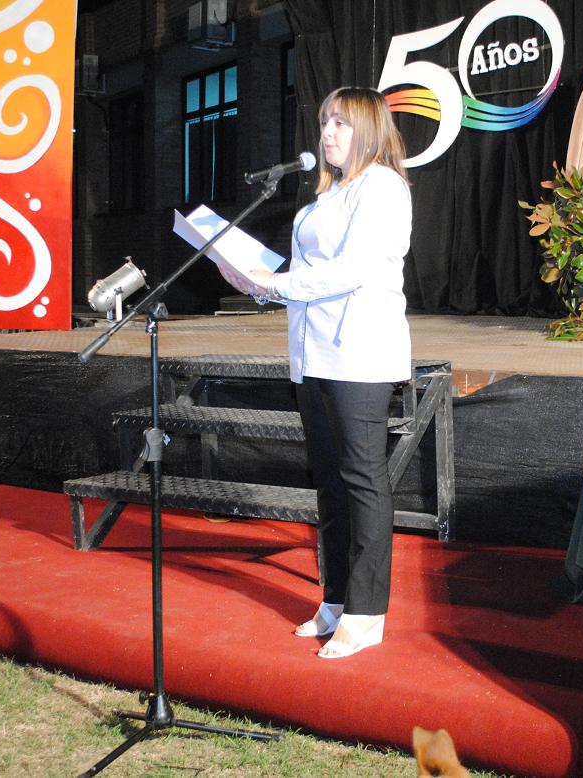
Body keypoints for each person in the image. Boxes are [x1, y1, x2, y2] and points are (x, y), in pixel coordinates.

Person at [219, 86, 412, 659]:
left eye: (340, 123)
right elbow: (305, 275)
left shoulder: (383, 188)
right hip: (313, 354)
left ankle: (367, 612)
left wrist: (274, 283)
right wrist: (253, 281)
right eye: (325, 121)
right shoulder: (326, 196)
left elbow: (351, 270)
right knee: (329, 481)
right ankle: (336, 598)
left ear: (369, 129)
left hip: (360, 354)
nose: (327, 132)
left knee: (362, 478)